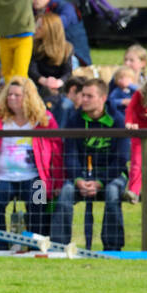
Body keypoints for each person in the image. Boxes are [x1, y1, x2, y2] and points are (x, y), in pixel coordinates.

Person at [0, 77, 61, 249]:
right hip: (1, 177)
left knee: (39, 203)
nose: (11, 98)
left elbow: (57, 152)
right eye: (9, 94)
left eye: (17, 95)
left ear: (28, 97)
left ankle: (37, 247)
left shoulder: (44, 120)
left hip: (35, 176)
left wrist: (56, 181)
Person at [51, 77, 129, 252]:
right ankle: (58, 246)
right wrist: (78, 180)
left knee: (112, 192)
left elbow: (121, 160)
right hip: (81, 176)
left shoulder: (117, 121)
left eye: (89, 96)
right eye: (82, 95)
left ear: (102, 98)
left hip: (112, 176)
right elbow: (70, 155)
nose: (83, 100)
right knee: (66, 192)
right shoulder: (74, 120)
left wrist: (100, 181)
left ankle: (113, 247)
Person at [33, 0, 91, 67]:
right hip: (48, 54)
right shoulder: (36, 11)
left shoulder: (66, 8)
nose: (33, 0)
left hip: (74, 56)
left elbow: (55, 26)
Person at [29, 11, 78, 113]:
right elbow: (32, 70)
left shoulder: (66, 48)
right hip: (39, 83)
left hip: (59, 85)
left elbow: (68, 72)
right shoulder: (33, 46)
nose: (35, 29)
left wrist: (57, 83)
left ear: (49, 30)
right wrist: (45, 81)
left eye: (39, 27)